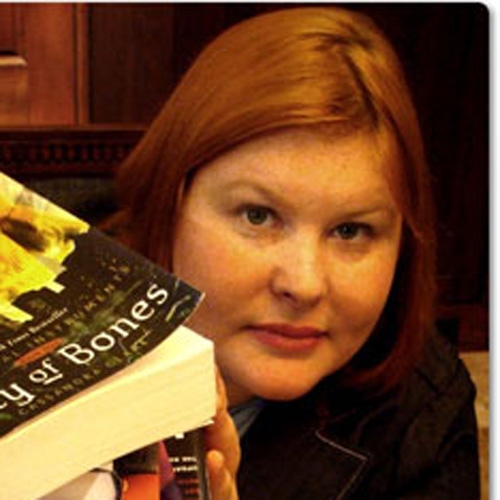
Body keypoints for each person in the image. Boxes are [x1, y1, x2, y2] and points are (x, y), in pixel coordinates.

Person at [108, 6, 480, 499]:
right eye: (258, 216)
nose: (304, 284)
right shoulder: (33, 275)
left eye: (350, 230)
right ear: (169, 202)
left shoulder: (423, 422)